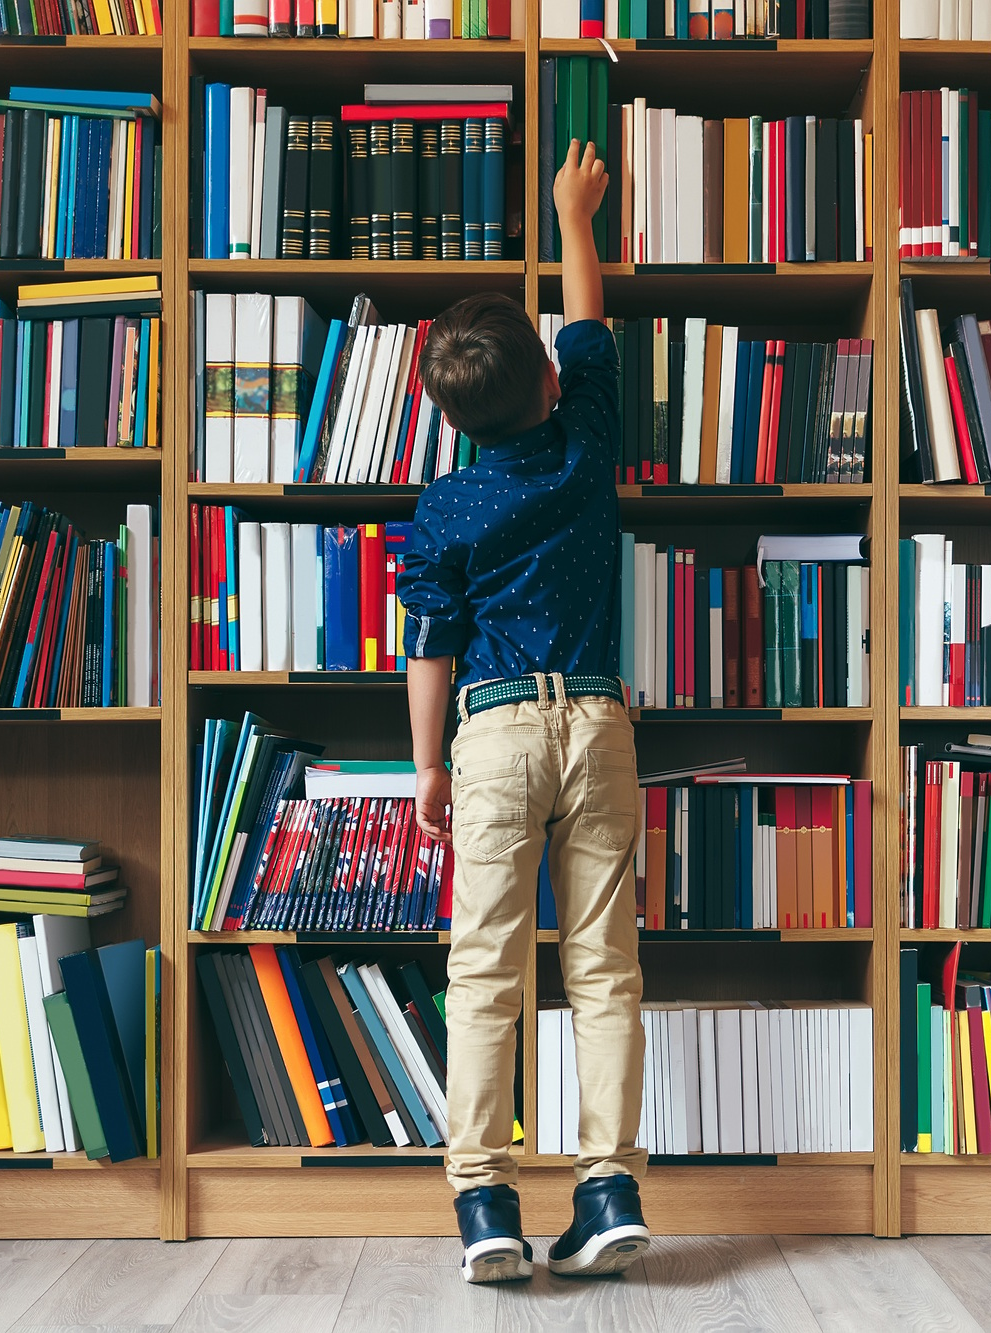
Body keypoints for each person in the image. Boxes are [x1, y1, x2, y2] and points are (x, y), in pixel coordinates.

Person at [397, 139, 648, 1285]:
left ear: (447, 414)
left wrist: (427, 771)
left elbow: (429, 647)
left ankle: (483, 1203)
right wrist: (574, 216)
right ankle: (606, 1189)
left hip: (490, 732)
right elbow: (587, 319)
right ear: (550, 381)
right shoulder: (587, 444)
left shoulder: (443, 504)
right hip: (596, 724)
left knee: (484, 972)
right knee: (602, 970)